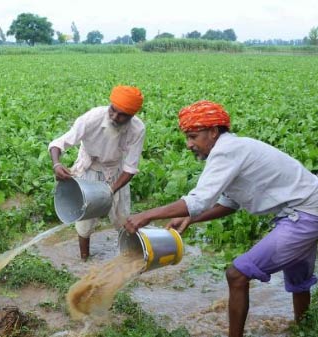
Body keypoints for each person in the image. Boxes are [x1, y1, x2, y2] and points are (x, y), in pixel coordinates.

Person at [124, 100, 318, 337]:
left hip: (305, 213)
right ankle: (303, 328)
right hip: (305, 209)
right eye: (187, 137)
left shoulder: (226, 151)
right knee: (298, 280)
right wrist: (189, 219)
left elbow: (198, 201)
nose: (189, 144)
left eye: (193, 136)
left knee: (236, 275)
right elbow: (229, 203)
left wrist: (146, 215)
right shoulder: (233, 149)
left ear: (213, 132)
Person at [48, 85, 146, 261]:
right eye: (113, 110)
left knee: (122, 219)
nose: (115, 117)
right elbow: (59, 143)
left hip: (117, 172)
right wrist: (56, 164)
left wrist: (111, 189)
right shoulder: (92, 118)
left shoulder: (137, 129)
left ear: (132, 116)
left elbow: (130, 168)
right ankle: (84, 259)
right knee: (84, 220)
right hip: (90, 169)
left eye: (122, 114)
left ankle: (127, 259)